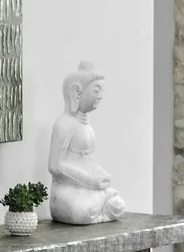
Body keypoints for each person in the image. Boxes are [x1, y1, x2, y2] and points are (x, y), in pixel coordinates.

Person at [48, 61, 127, 225]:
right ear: (77, 92)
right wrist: (89, 181)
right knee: (80, 211)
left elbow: (87, 160)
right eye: (96, 90)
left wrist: (101, 175)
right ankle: (97, 208)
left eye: (102, 90)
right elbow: (55, 166)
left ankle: (98, 208)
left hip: (89, 190)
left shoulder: (87, 127)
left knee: (118, 205)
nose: (100, 95)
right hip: (68, 189)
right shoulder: (63, 124)